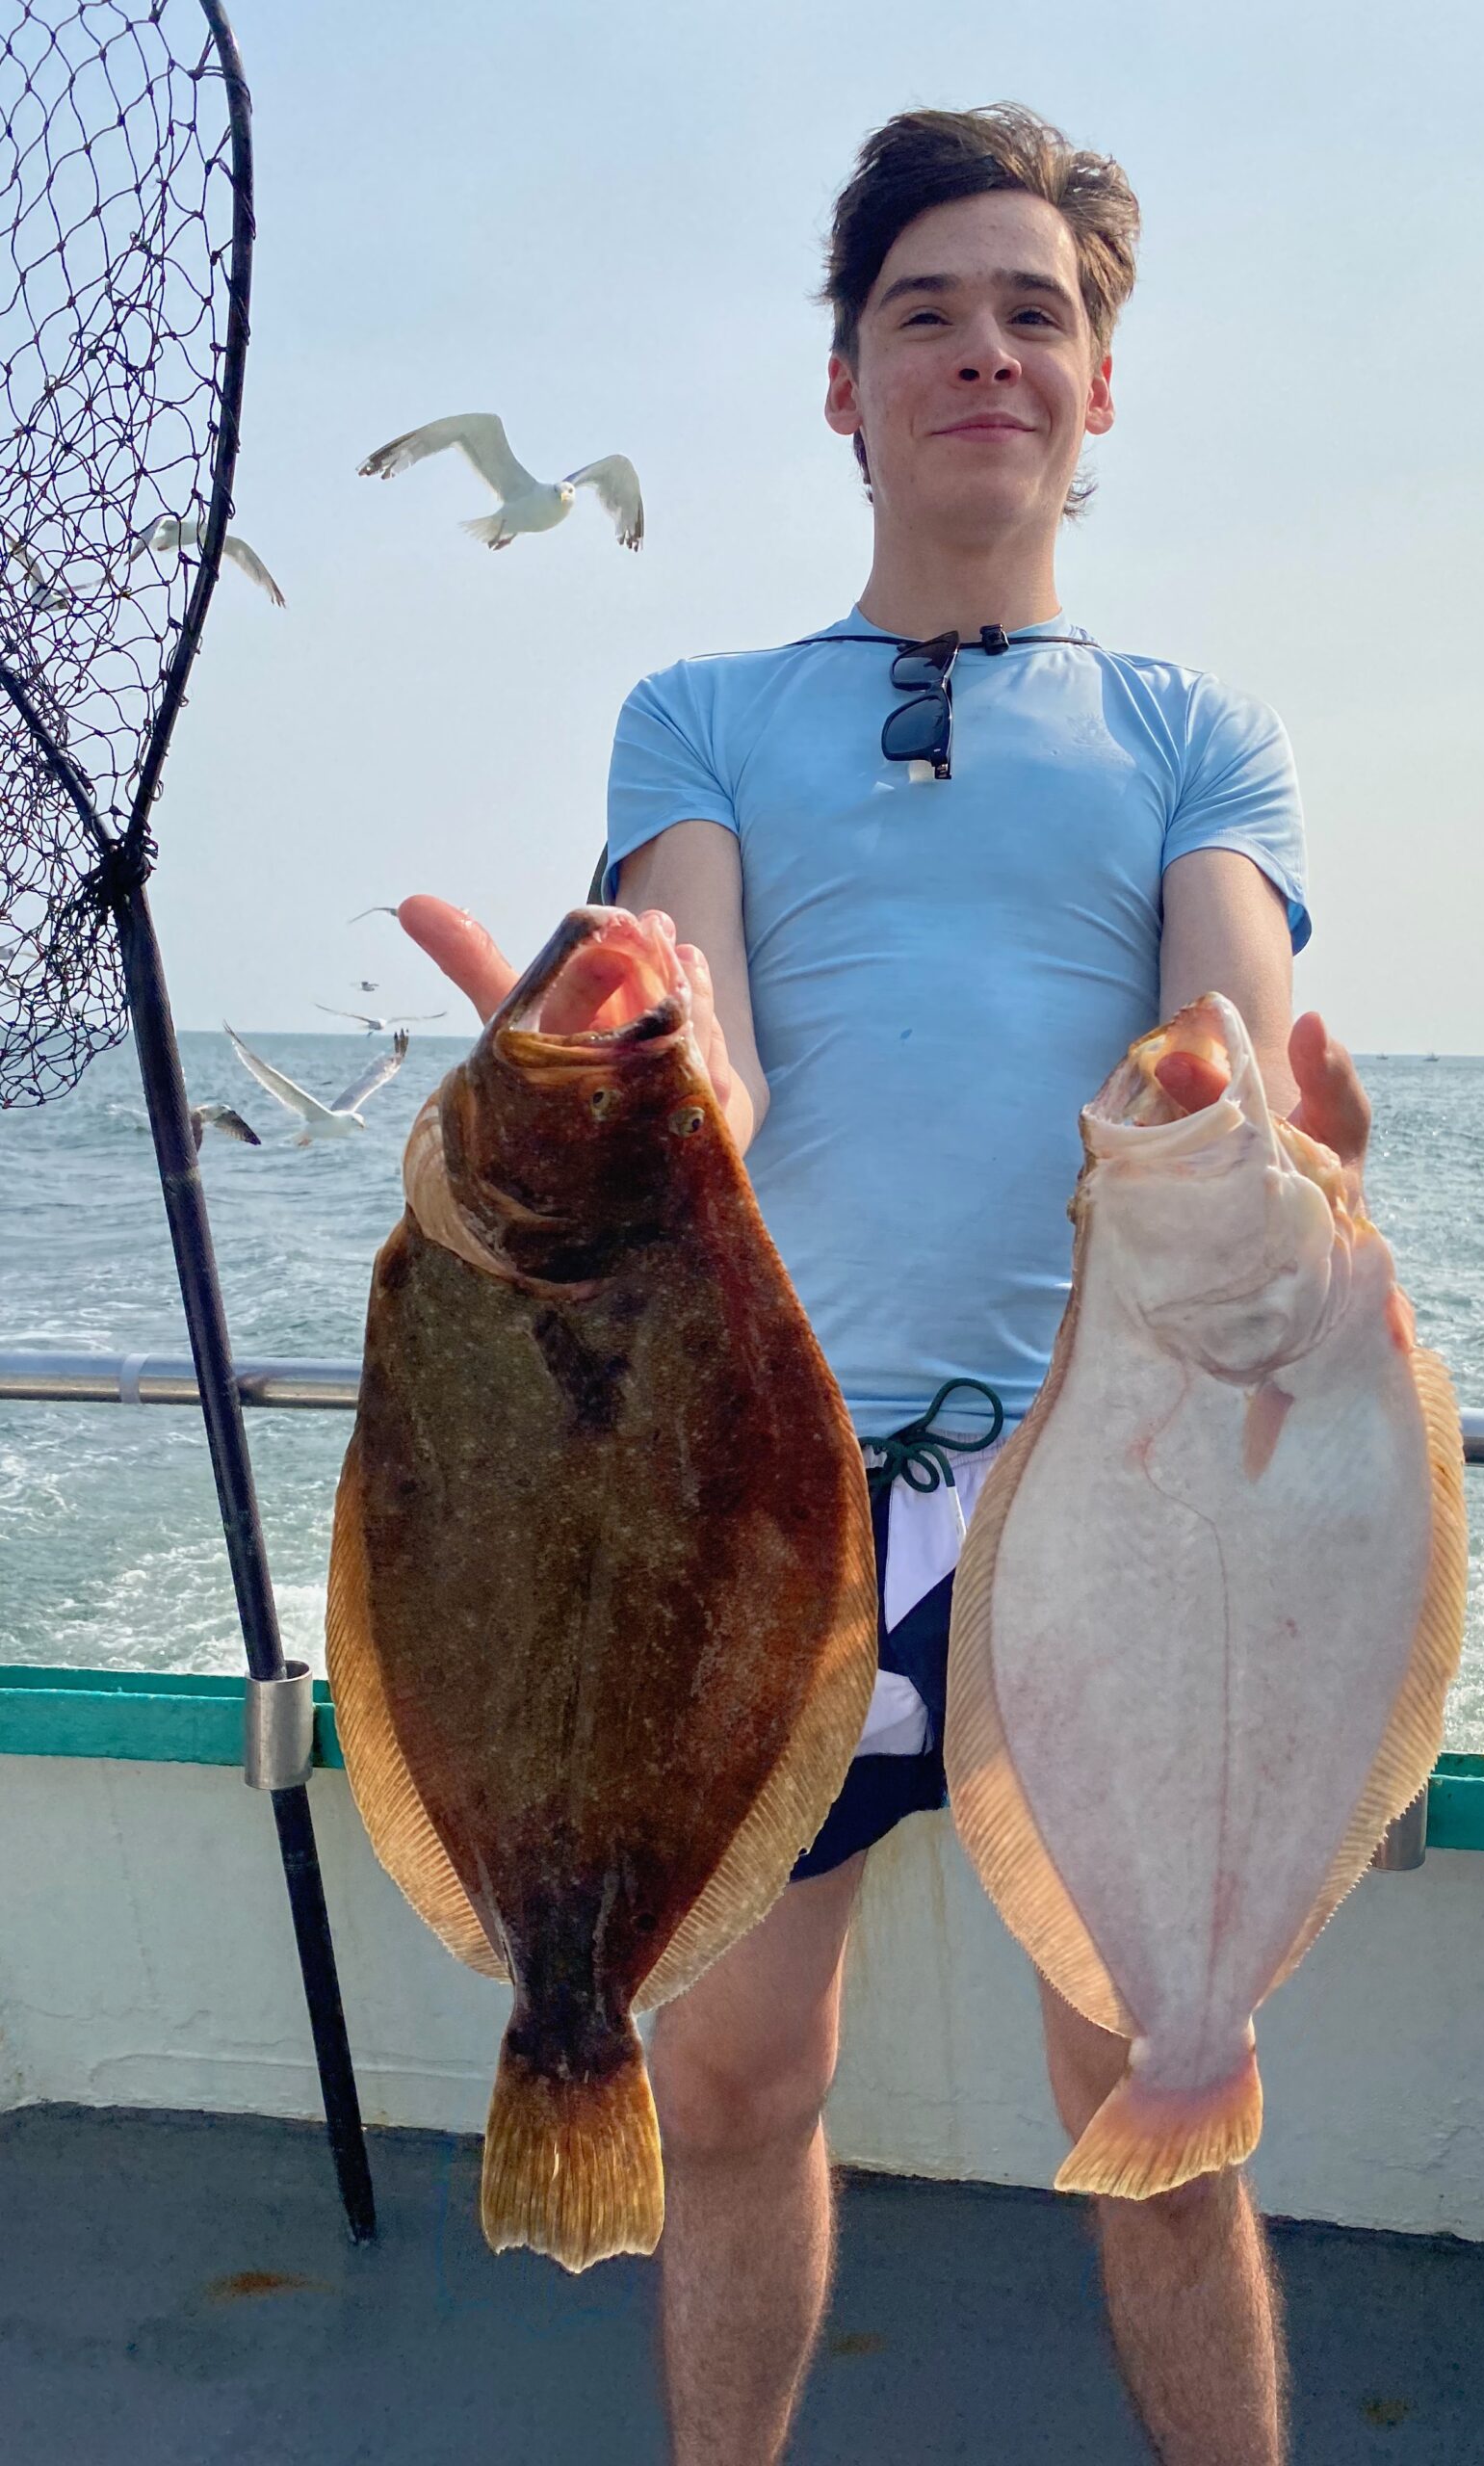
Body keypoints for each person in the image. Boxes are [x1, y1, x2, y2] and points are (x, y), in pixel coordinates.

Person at [400, 102, 1370, 2466]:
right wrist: (621, 1078)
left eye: (1036, 313)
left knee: (1156, 2092)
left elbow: (1224, 1027)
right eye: (925, 314)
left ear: (1101, 385)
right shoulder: (702, 710)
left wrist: (1266, 1133)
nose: (984, 352)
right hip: (765, 1496)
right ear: (844, 382)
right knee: (734, 2083)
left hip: (1098, 1493)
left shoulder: (1197, 734)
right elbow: (702, 1026)